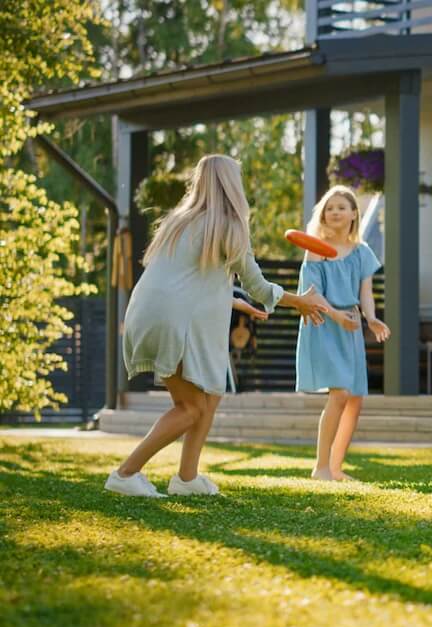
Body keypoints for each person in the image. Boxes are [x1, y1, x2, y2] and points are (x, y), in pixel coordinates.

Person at [106, 154, 331, 497]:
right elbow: (258, 286)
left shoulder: (178, 222)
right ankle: (125, 474)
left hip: (146, 314)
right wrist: (301, 301)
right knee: (191, 408)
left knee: (210, 395)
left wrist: (233, 300)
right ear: (231, 185)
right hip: (173, 321)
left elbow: (184, 281)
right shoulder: (229, 225)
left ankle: (187, 478)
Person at [295, 186, 390, 481]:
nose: (334, 212)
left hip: (350, 327)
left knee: (354, 399)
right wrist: (337, 316)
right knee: (340, 393)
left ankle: (335, 468)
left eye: (340, 207)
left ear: (353, 214)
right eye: (329, 207)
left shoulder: (362, 252)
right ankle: (320, 467)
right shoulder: (315, 250)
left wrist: (370, 318)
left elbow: (366, 292)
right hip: (324, 324)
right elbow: (311, 294)